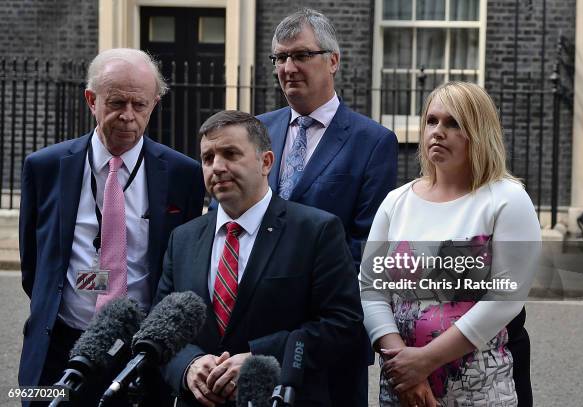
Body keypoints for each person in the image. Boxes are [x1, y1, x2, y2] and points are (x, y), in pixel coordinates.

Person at [18, 48, 205, 403]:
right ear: (92, 100)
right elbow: (34, 265)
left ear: (154, 103)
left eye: (140, 105)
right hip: (58, 352)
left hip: (140, 355)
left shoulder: (184, 175)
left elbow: (181, 266)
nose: (128, 116)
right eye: (117, 103)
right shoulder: (44, 167)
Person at [155, 110, 363, 406]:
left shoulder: (316, 231)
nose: (217, 167)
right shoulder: (183, 239)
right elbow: (162, 327)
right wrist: (188, 366)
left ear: (266, 162)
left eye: (230, 153)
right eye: (207, 158)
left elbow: (344, 326)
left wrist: (259, 360)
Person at [359, 82, 541, 406]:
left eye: (453, 123)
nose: (437, 131)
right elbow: (371, 287)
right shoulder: (396, 202)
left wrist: (425, 360)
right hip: (403, 388)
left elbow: (505, 297)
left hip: (481, 390)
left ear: (478, 132)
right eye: (431, 121)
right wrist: (402, 363)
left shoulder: (507, 200)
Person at [257, 9, 398, 405]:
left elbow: (367, 244)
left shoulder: (373, 141)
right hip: (258, 331)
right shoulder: (257, 130)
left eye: (301, 55)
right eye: (280, 58)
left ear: (332, 61)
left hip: (329, 331)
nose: (288, 67)